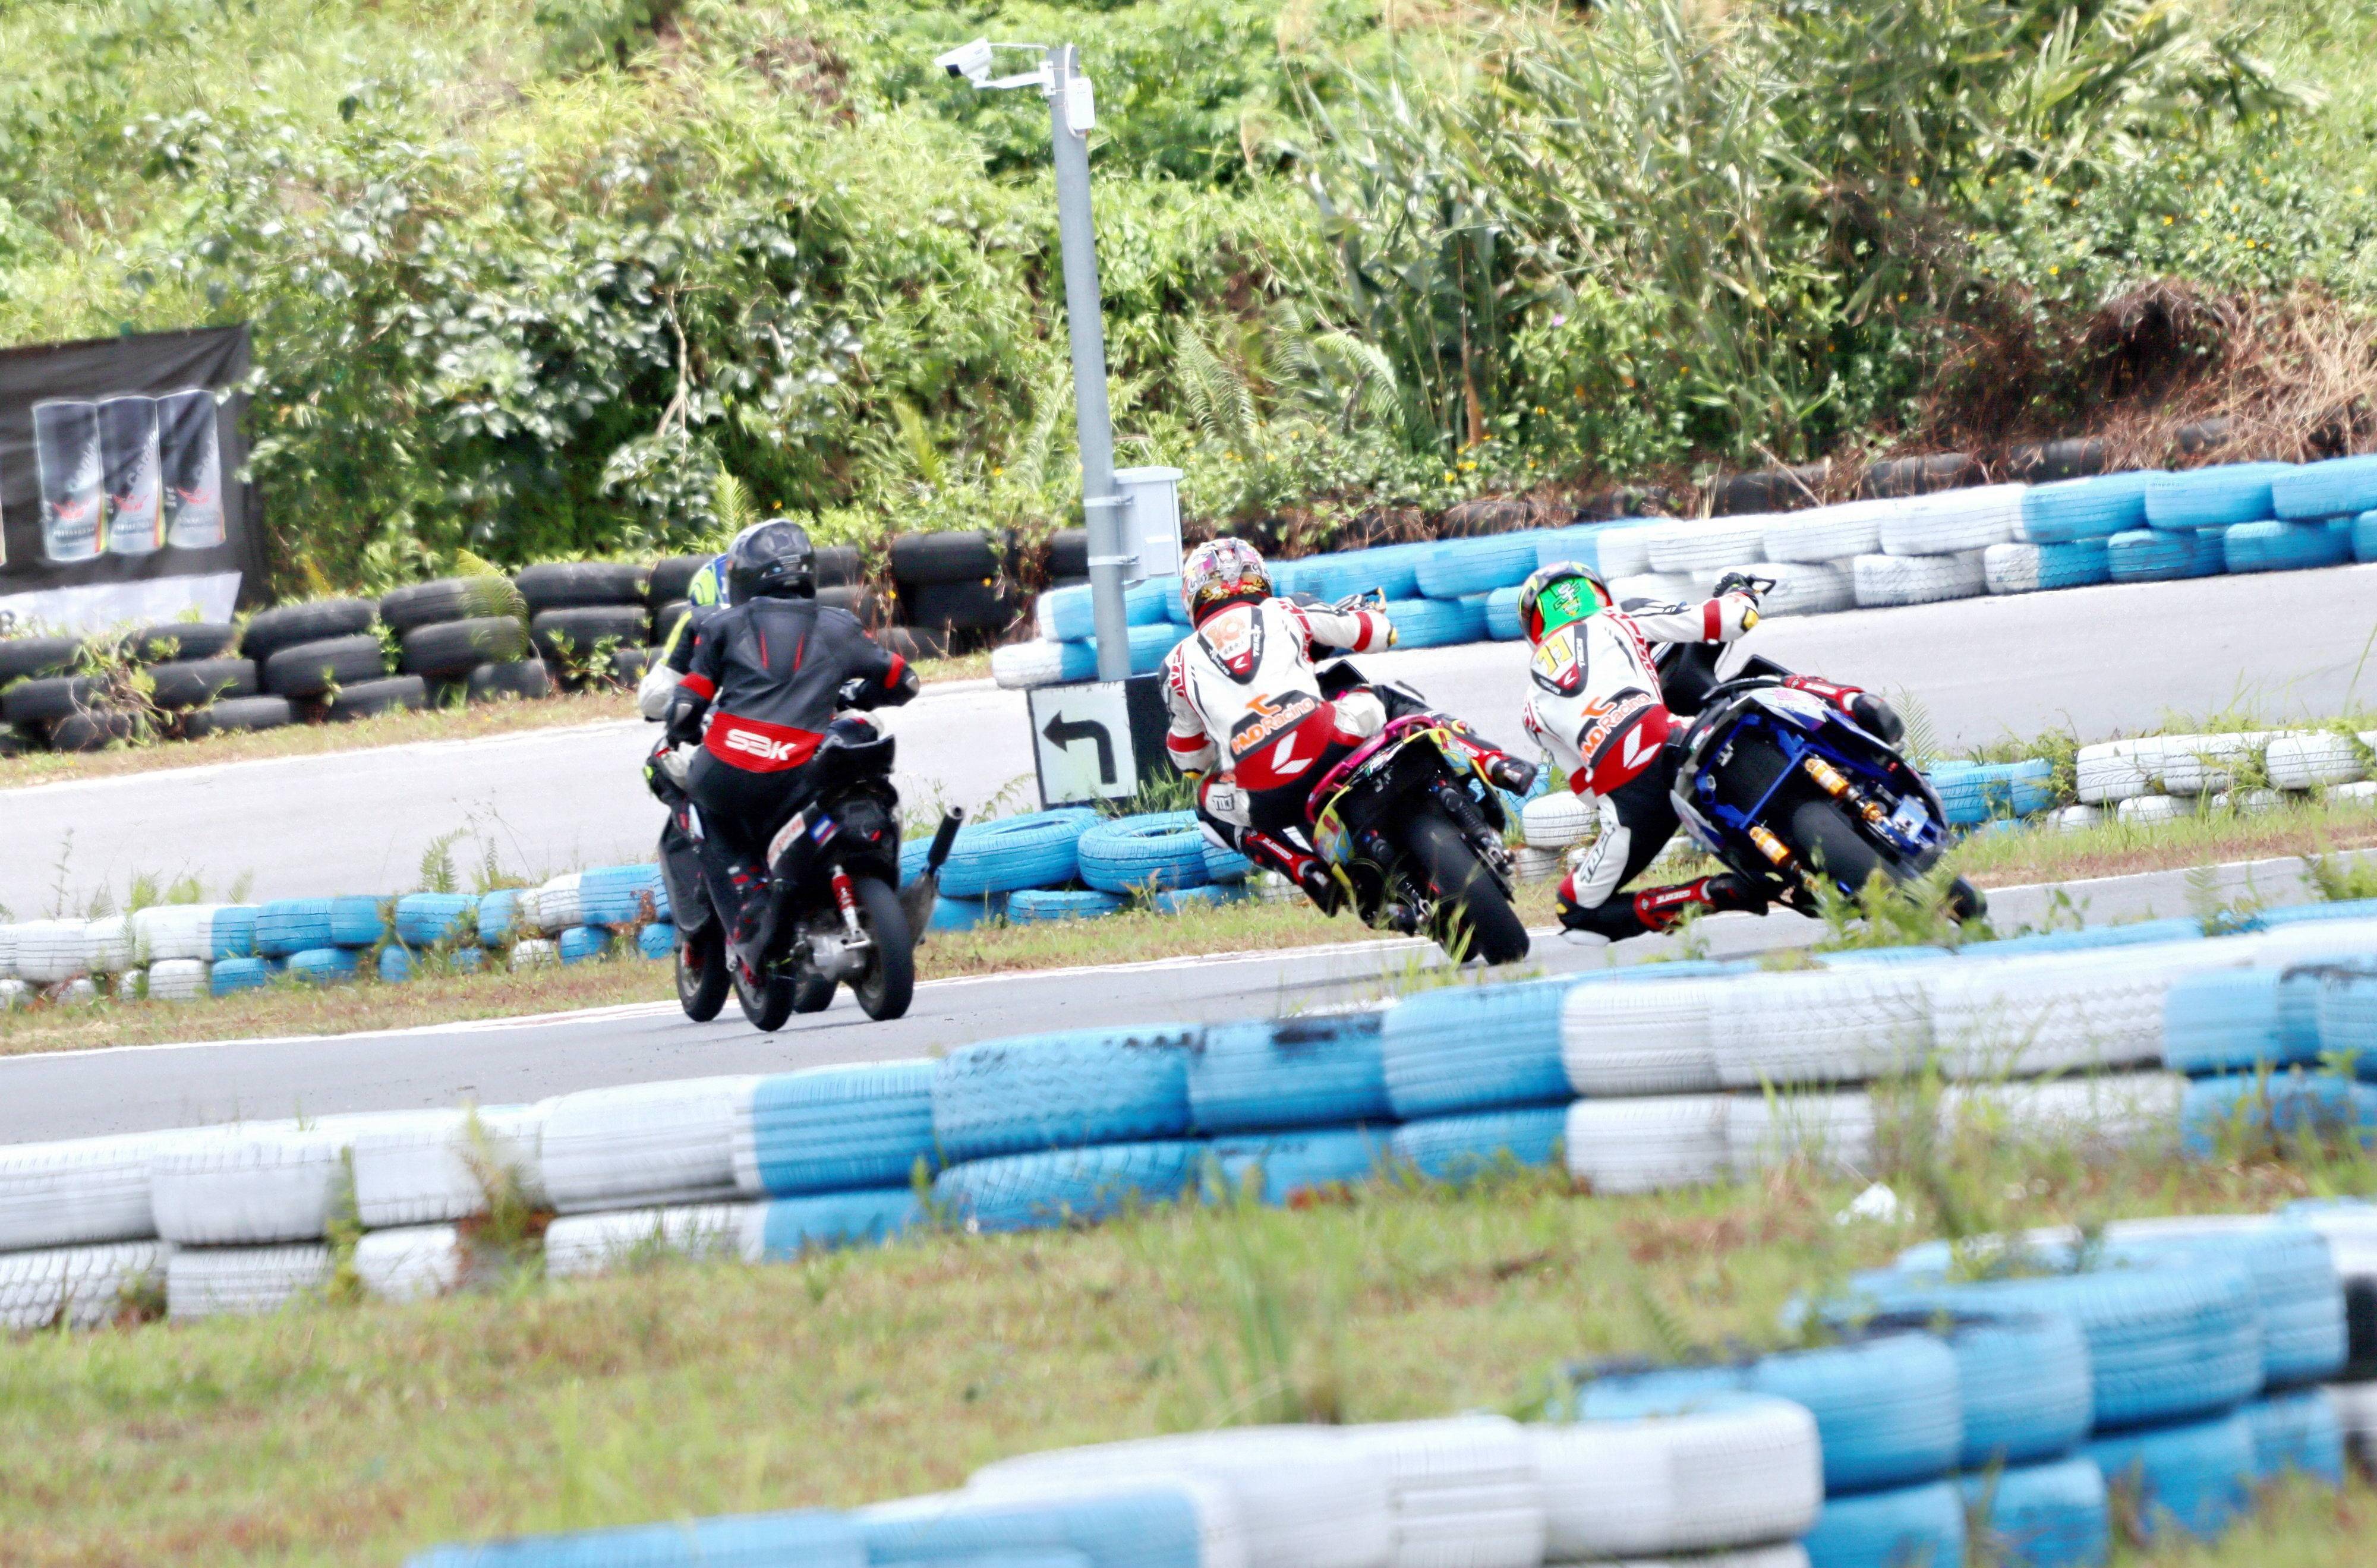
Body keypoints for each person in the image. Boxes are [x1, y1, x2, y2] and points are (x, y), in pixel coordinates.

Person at [1515, 561, 1899, 941]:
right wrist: (1741, 591)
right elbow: (1734, 620)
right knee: (1761, 685)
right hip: (1674, 740)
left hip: (1630, 798)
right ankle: (1854, 705)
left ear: (1534, 627)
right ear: (1597, 594)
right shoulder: (1619, 617)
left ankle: (1710, 893)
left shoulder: (1531, 708)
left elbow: (1586, 790)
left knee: (1573, 909)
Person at [1162, 537, 1536, 910]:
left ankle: (1306, 869)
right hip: (1331, 741)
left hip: (1266, 795)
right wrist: (1359, 616)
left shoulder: (1175, 665)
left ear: (1193, 594)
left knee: (1206, 807)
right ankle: (1494, 760)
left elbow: (1190, 760)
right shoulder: (1285, 610)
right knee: (1386, 699)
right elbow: (1380, 634)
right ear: (1259, 576)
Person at [663, 520, 919, 970]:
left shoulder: (721, 625)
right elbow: (904, 680)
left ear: (744, 577)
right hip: (806, 765)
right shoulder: (840, 625)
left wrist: (681, 730)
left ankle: (749, 899)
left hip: (732, 762)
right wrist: (861, 695)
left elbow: (687, 706)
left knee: (701, 806)